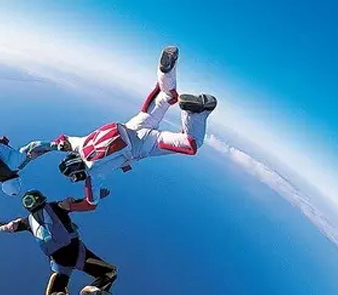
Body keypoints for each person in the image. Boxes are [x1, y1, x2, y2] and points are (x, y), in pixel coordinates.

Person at [52, 46, 218, 209]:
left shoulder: (92, 175)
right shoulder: (79, 145)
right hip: (134, 126)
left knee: (191, 143)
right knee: (165, 96)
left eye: (74, 177)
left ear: (78, 173)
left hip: (143, 145)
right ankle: (166, 72)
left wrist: (68, 207)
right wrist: (53, 146)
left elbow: (90, 204)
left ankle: (193, 112)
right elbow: (62, 139)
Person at [0, 190, 117, 295]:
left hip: (59, 259)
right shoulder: (53, 207)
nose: (30, 204)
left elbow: (8, 226)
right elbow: (77, 203)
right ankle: (92, 289)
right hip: (75, 250)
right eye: (27, 202)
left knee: (57, 284)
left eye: (29, 200)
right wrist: (95, 196)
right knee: (109, 272)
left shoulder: (30, 220)